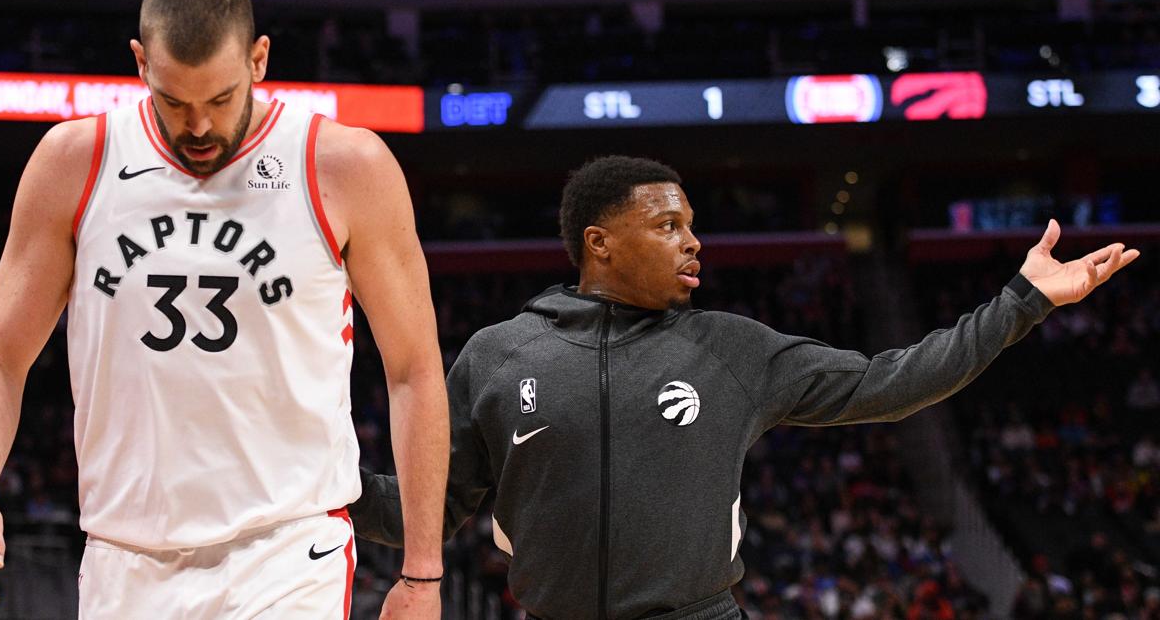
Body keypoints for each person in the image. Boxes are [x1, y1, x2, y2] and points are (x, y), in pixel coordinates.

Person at [349, 155, 1139, 619]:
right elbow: (425, 507)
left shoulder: (731, 348)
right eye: (667, 226)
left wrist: (1023, 302)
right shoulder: (498, 353)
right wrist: (316, 477)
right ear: (600, 244)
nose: (694, 241)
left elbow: (893, 381)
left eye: (692, 223)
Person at [0, 0, 447, 618]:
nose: (199, 126)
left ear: (260, 60)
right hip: (123, 555)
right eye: (175, 103)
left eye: (221, 99)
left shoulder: (343, 166)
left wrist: (423, 574)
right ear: (140, 62)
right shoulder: (74, 162)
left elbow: (415, 369)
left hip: (286, 548)